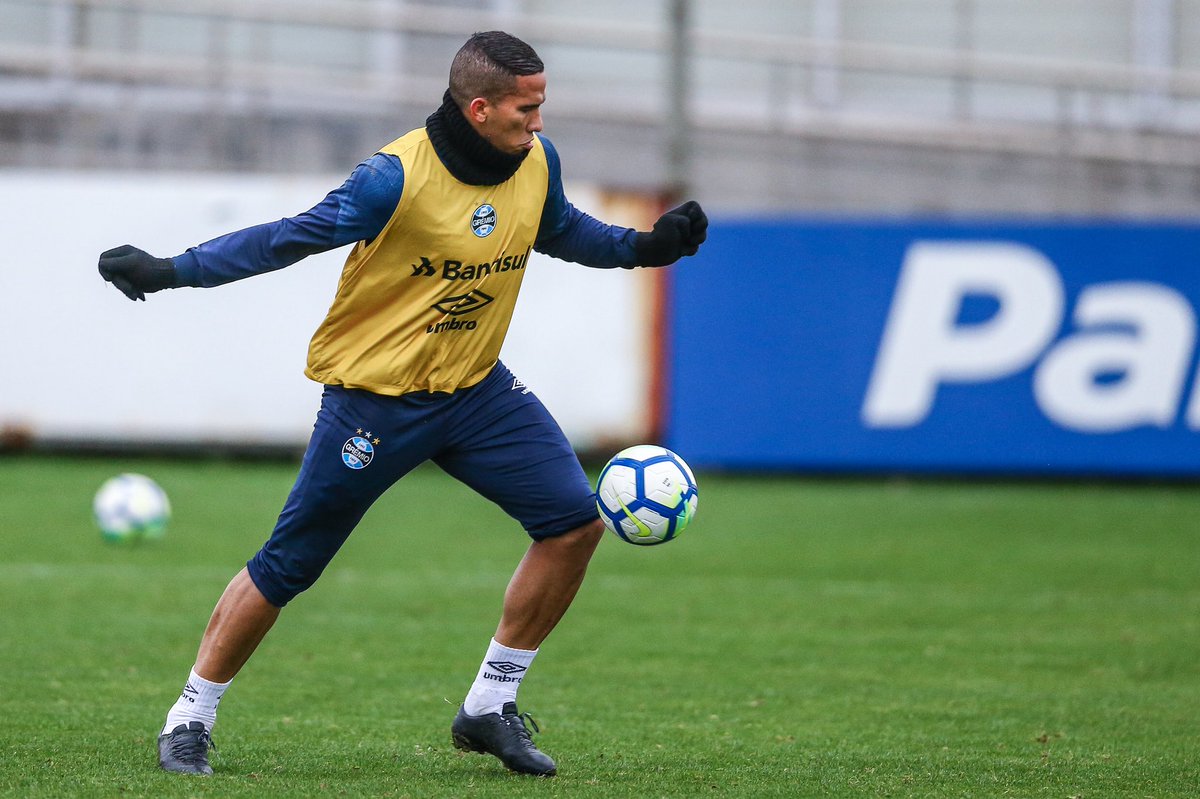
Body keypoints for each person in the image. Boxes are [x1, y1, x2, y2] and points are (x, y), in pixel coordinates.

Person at [98, 31, 706, 778]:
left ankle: (489, 705)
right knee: (289, 564)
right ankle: (189, 717)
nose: (539, 122)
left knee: (574, 525)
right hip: (374, 403)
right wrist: (169, 270)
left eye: (542, 105)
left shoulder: (536, 162)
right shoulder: (393, 178)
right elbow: (288, 239)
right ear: (480, 109)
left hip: (478, 391)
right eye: (527, 107)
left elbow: (564, 230)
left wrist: (646, 247)